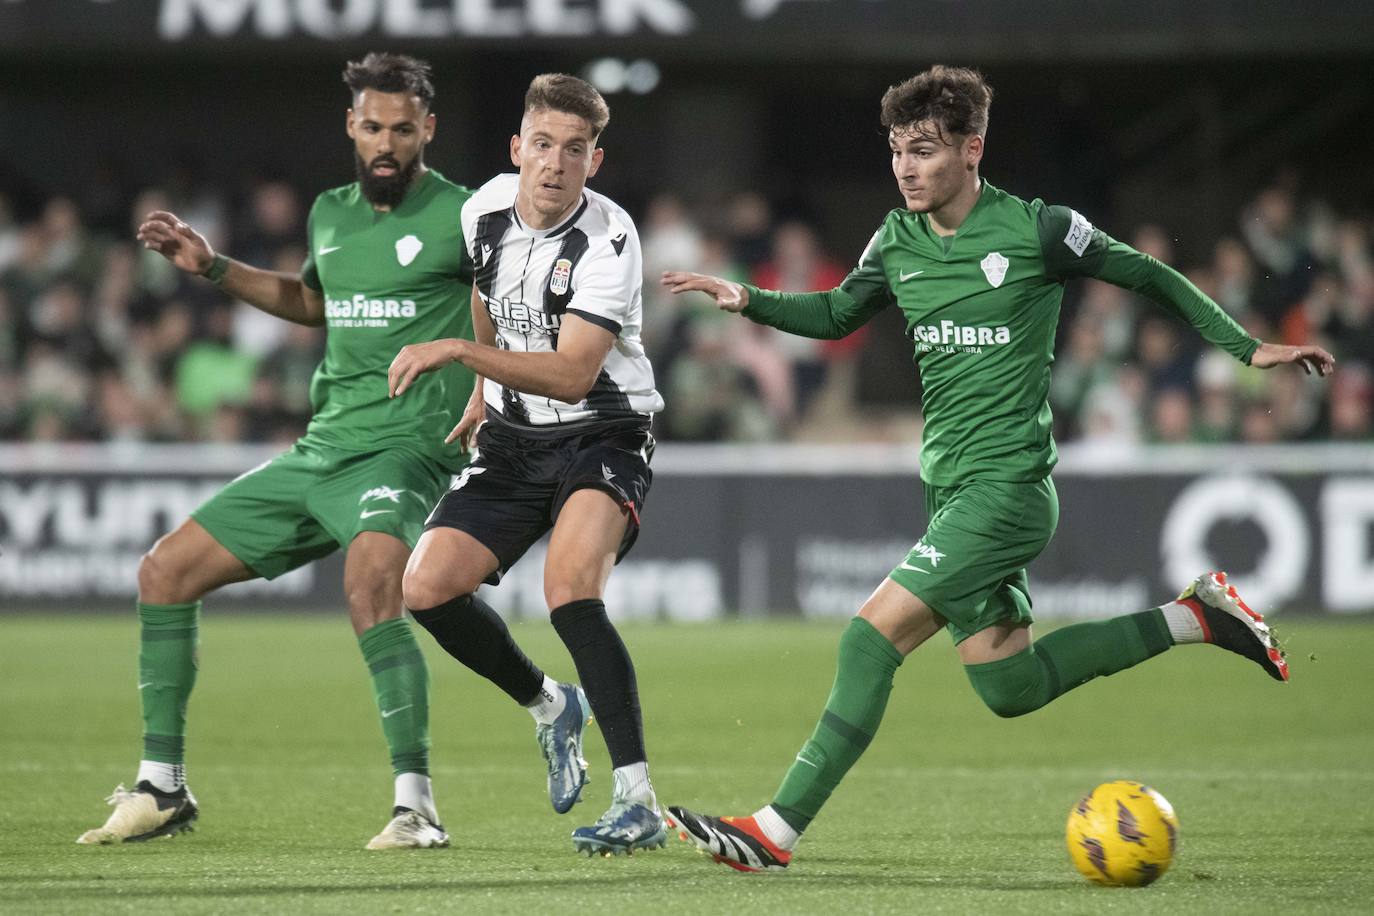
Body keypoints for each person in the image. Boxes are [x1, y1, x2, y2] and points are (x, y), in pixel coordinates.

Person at [660, 65, 1334, 873]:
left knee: (867, 641)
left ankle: (776, 830)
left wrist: (1245, 345)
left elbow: (1146, 273)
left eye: (924, 150)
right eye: (897, 151)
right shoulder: (896, 238)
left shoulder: (1039, 230)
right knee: (1009, 686)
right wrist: (749, 298)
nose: (906, 167)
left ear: (971, 149)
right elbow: (839, 311)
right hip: (950, 491)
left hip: (1008, 491)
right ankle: (1196, 617)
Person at [78, 52, 513, 851]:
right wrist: (211, 266)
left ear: (429, 130)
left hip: (406, 449)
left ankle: (417, 808)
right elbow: (314, 302)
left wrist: (489, 385)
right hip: (322, 450)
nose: (387, 143)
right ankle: (162, 786)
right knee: (164, 571)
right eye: (373, 127)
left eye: (403, 130)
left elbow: (500, 305)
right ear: (352, 125)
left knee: (371, 582)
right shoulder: (330, 213)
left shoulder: (466, 213)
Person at [386, 73, 667, 856]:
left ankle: (637, 798)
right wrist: (482, 384)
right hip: (512, 438)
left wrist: (459, 352)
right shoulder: (483, 210)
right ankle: (551, 706)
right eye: (541, 144)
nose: (554, 163)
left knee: (569, 588)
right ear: (518, 149)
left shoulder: (610, 240)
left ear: (594, 161)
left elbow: (577, 372)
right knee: (426, 588)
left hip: (602, 431)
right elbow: (487, 297)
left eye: (573, 150)